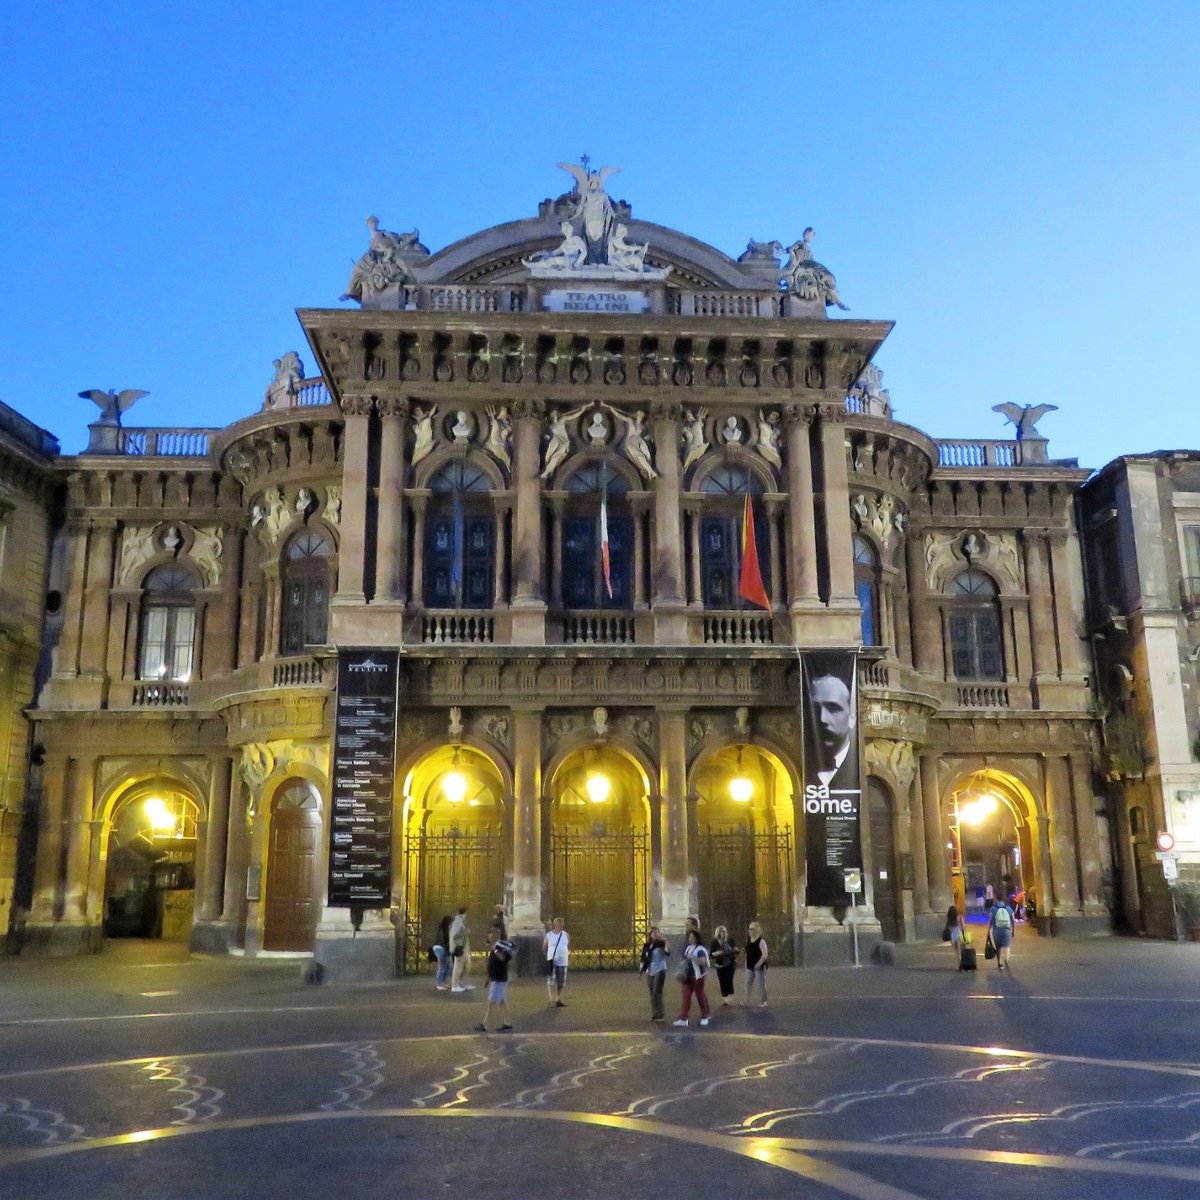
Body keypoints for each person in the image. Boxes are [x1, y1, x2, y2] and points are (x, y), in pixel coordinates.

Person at [809, 672, 856, 790]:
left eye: (833, 708)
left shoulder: (858, 764)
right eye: (815, 709)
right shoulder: (805, 766)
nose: (822, 719)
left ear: (852, 718)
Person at [475, 928, 514, 1033]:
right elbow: (491, 965)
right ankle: (507, 1023)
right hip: (496, 978)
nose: (490, 936)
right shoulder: (494, 947)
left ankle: (485, 1024)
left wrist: (495, 949)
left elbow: (503, 959)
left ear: (498, 935)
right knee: (502, 1002)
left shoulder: (502, 946)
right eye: (489, 934)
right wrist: (488, 978)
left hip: (499, 978)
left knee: (491, 1002)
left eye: (492, 934)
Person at [674, 929, 711, 1027]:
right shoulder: (688, 948)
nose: (690, 939)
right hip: (687, 977)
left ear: (697, 938)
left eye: (692, 937)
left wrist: (692, 957)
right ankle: (684, 1018)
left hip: (698, 977)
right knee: (686, 997)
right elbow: (685, 959)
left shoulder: (700, 949)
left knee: (700, 996)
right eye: (689, 937)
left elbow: (702, 962)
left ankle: (705, 1016)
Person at [640, 926, 670, 1021]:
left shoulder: (661, 944)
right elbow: (643, 958)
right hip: (650, 970)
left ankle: (660, 1014)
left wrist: (665, 941)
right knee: (652, 992)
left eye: (658, 932)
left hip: (659, 969)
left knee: (657, 991)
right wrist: (641, 970)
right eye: (654, 932)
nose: (656, 934)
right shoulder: (647, 945)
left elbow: (667, 952)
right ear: (650, 934)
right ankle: (655, 1013)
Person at [543, 916, 570, 1007]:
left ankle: (558, 999)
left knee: (561, 982)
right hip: (552, 961)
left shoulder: (565, 934)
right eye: (559, 923)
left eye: (562, 923)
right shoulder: (549, 935)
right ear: (555, 925)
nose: (561, 925)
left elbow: (567, 945)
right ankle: (550, 1000)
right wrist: (549, 955)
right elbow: (544, 947)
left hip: (563, 961)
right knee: (550, 982)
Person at [710, 925, 738, 1006]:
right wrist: (716, 953)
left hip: (730, 963)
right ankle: (724, 998)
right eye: (722, 932)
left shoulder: (730, 940)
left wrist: (736, 950)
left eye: (725, 931)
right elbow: (711, 954)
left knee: (728, 979)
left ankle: (730, 997)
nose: (724, 933)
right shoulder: (715, 942)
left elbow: (736, 950)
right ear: (718, 933)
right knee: (722, 981)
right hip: (720, 965)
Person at [988, 892, 1016, 971]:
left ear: (996, 899)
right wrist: (1013, 929)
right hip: (1006, 929)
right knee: (1007, 946)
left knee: (998, 947)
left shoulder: (993, 908)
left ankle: (1000, 964)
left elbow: (991, 920)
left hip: (997, 930)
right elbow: (1013, 919)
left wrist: (989, 930)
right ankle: (1006, 959)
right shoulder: (1008, 907)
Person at [744, 921, 769, 1007]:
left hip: (759, 967)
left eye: (752, 929)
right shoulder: (748, 940)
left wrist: (758, 964)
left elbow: (765, 954)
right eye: (749, 929)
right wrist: (746, 963)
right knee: (748, 984)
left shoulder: (761, 941)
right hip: (750, 966)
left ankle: (763, 1001)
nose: (750, 931)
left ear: (757, 930)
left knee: (761, 985)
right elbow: (747, 953)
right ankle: (746, 1001)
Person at [449, 906, 473, 992]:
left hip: (464, 948)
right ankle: (455, 985)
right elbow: (455, 936)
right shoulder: (457, 922)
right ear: (464, 913)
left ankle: (462, 983)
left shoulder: (462, 922)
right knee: (458, 967)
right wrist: (464, 932)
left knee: (466, 966)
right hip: (459, 948)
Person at [431, 913, 453, 991]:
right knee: (442, 966)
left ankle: (442, 982)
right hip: (441, 948)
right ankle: (439, 984)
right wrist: (448, 951)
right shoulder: (444, 930)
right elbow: (444, 941)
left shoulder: (442, 929)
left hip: (439, 948)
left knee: (446, 966)